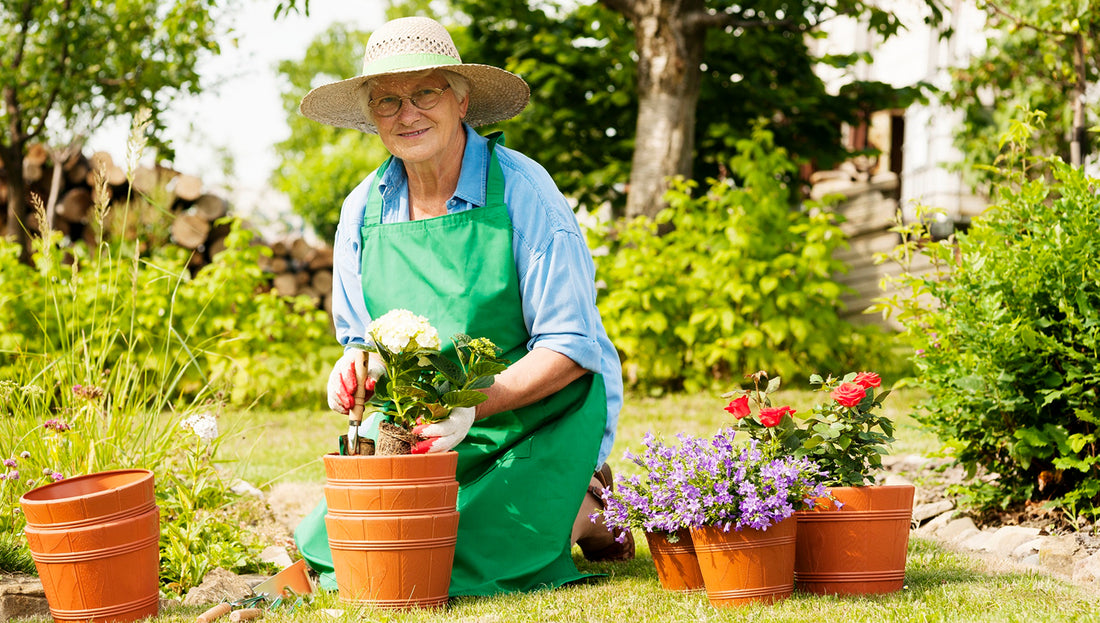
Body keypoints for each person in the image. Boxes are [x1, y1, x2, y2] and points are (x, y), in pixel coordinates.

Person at [292, 16, 632, 597]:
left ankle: (594, 503)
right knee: (345, 551)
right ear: (372, 115)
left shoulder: (524, 191)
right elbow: (361, 339)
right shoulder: (363, 209)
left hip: (533, 412)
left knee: (467, 556)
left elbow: (572, 346)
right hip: (420, 427)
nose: (407, 113)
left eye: (425, 92)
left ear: (461, 98)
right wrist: (354, 367)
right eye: (388, 100)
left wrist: (476, 403)